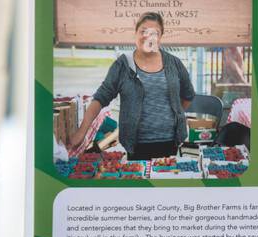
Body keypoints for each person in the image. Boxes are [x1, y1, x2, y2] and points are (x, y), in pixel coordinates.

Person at [68, 12, 195, 161]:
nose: (148, 36)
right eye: (143, 31)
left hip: (170, 144)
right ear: (135, 33)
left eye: (154, 33)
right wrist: (81, 132)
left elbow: (188, 95)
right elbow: (100, 99)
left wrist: (175, 115)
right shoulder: (122, 65)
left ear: (160, 37)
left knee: (166, 180)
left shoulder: (174, 63)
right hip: (136, 146)